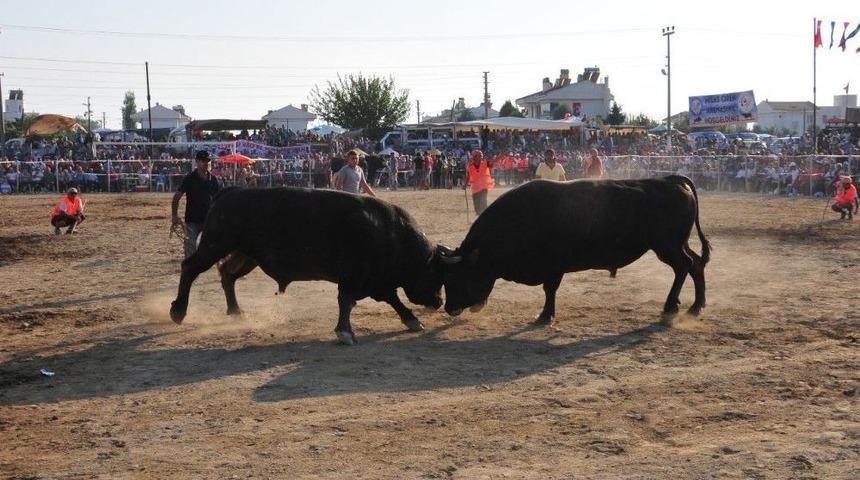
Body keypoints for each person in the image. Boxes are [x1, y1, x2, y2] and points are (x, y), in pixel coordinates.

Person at [172, 150, 220, 258]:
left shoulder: (213, 180)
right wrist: (174, 215)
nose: (206, 163)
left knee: (216, 245)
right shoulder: (189, 179)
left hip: (209, 220)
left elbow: (218, 200)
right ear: (197, 162)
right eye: (203, 161)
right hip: (192, 220)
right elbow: (176, 197)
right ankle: (190, 267)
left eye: (208, 161)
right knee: (190, 247)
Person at [465, 149, 494, 215]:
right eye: (479, 156)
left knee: (483, 201)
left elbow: (492, 162)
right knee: (476, 204)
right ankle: (479, 214)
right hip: (475, 188)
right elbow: (468, 176)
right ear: (475, 157)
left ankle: (485, 215)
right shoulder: (470, 166)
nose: (481, 157)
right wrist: (465, 184)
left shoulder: (485, 163)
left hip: (484, 186)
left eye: (481, 156)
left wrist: (500, 156)